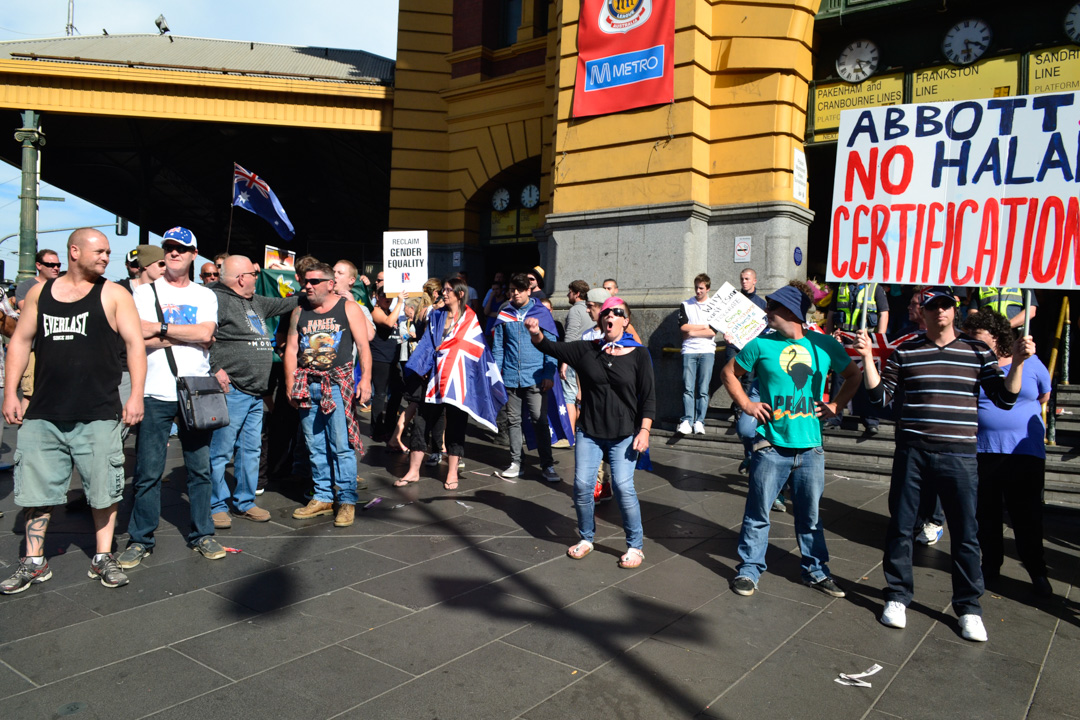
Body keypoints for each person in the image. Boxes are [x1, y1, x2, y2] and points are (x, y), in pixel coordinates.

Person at [854, 287, 1036, 642]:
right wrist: (869, 360)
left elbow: (1004, 398)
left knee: (966, 534)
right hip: (913, 452)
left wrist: (1017, 362)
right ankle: (897, 596)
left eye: (946, 305)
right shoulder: (906, 351)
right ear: (921, 312)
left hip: (960, 455)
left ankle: (968, 607)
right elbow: (882, 397)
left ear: (955, 310)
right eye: (932, 305)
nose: (940, 311)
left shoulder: (977, 351)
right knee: (901, 527)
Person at [0, 228, 146, 594]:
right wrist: (10, 392)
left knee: (103, 490)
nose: (106, 257)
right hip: (44, 411)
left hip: (98, 411)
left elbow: (135, 344)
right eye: (100, 251)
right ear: (74, 251)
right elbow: (19, 339)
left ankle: (102, 557)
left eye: (109, 252)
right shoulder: (40, 293)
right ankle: (34, 562)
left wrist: (136, 396)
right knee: (36, 492)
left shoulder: (114, 294)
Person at [722, 282, 861, 599]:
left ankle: (816, 571)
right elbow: (729, 373)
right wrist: (748, 405)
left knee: (810, 516)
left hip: (811, 448)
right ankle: (749, 569)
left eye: (773, 307)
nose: (766, 312)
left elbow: (853, 375)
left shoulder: (823, 345)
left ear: (791, 312)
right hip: (770, 446)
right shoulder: (761, 345)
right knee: (758, 513)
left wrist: (837, 405)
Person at [121, 227, 224, 568]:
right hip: (154, 391)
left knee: (200, 468)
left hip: (195, 390)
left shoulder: (205, 295)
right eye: (169, 247)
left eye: (182, 248)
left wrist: (161, 329)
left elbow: (206, 334)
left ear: (195, 255)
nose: (174, 253)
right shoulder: (143, 292)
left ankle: (202, 533)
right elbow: (136, 339)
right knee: (149, 471)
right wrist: (187, 337)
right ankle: (140, 539)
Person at [525, 295, 654, 568]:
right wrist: (535, 333)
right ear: (600, 320)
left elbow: (649, 397)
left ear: (626, 321)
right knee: (583, 486)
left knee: (622, 487)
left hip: (624, 434)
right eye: (606, 312)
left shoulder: (639, 354)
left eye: (617, 312)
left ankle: (635, 546)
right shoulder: (587, 350)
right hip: (590, 432)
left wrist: (644, 430)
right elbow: (549, 346)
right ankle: (586, 538)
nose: (610, 315)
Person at [962, 309, 1053, 597]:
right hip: (983, 451)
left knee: (1027, 515)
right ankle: (991, 566)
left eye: (978, 338)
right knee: (985, 514)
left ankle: (1037, 571)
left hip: (1024, 452)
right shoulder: (973, 363)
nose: (972, 343)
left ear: (997, 337)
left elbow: (1043, 396)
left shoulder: (1033, 362)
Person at [207, 255, 299, 529]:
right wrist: (215, 368)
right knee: (221, 452)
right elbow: (203, 337)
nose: (258, 278)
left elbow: (287, 302)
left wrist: (310, 289)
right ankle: (215, 504)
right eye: (254, 273)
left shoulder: (255, 302)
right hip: (232, 389)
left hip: (255, 391)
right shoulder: (216, 300)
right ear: (240, 278)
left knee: (250, 449)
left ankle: (245, 501)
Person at [284, 262, 372, 528]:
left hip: (337, 384)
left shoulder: (348, 308)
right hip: (306, 384)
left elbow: (363, 346)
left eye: (313, 282)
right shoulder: (300, 312)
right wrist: (290, 383)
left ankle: (346, 499)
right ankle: (322, 496)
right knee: (314, 444)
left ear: (330, 283)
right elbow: (290, 349)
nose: (307, 286)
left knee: (341, 446)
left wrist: (365, 379)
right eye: (305, 282)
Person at [397, 276, 505, 489]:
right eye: (443, 290)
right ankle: (413, 471)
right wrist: (421, 365)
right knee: (421, 423)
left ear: (460, 294)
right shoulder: (436, 316)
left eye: (448, 290)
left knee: (456, 425)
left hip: (458, 381)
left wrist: (449, 354)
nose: (443, 293)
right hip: (433, 380)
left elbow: (475, 348)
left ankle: (452, 473)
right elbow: (427, 342)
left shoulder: (470, 318)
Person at [492, 273, 559, 482]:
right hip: (511, 375)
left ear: (528, 290)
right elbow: (499, 347)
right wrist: (497, 374)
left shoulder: (541, 312)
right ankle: (516, 462)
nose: (515, 293)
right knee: (513, 421)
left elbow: (551, 346)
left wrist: (549, 373)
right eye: (512, 290)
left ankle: (547, 465)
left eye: (519, 290)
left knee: (539, 420)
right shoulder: (505, 313)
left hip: (536, 375)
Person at [825, 282, 890, 434]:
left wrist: (878, 339)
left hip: (866, 339)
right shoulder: (841, 287)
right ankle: (834, 416)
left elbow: (884, 313)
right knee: (839, 378)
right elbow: (831, 313)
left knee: (868, 377)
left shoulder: (875, 288)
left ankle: (871, 420)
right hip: (844, 340)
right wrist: (828, 337)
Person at [14, 248, 63, 415]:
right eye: (50, 264)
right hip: (35, 349)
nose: (55, 268)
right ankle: (26, 430)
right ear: (38, 265)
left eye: (57, 264)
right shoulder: (26, 287)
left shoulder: (63, 286)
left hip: (60, 348)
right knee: (30, 394)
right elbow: (30, 314)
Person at [678, 273, 716, 435]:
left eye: (701, 288)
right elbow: (683, 328)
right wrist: (703, 327)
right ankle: (687, 419)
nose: (698, 291)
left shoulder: (714, 305)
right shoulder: (685, 304)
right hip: (689, 350)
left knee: (703, 389)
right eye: (696, 288)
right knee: (688, 388)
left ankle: (700, 421)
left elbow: (713, 331)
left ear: (707, 289)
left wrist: (693, 330)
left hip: (707, 350)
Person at [561, 280, 591, 434]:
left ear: (577, 293)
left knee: (569, 398)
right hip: (589, 359)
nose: (568, 294)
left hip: (574, 358)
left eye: (570, 291)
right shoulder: (591, 309)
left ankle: (569, 434)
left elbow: (571, 337)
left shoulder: (575, 310)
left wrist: (565, 362)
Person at [968, 286, 1036, 330]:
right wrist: (986, 327)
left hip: (1014, 334)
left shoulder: (1022, 282)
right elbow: (972, 311)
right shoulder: (982, 285)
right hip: (989, 334)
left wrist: (1006, 326)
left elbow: (1031, 310)